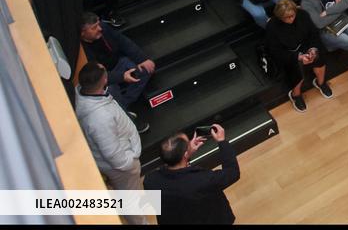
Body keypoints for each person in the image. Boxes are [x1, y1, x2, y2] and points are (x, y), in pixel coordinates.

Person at [75, 62, 145, 222]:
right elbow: (113, 155)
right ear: (105, 80)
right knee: (130, 200)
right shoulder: (100, 119)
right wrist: (131, 161)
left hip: (119, 158)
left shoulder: (83, 91)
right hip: (122, 168)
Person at [144, 124, 239, 225]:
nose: (190, 142)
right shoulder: (202, 180)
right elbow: (232, 172)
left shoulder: (150, 180)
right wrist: (222, 141)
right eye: (188, 142)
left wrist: (186, 155)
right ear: (184, 154)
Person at [79, 13, 155, 114]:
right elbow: (96, 75)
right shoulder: (81, 53)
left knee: (145, 70)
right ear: (82, 33)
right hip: (103, 76)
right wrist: (121, 77)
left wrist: (142, 59)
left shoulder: (103, 27)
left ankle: (125, 103)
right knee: (111, 91)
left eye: (98, 24)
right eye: (94, 27)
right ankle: (124, 113)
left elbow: (122, 41)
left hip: (119, 62)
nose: (99, 28)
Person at [266, 0, 331, 112]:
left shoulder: (303, 15)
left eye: (292, 16)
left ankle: (321, 82)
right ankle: (296, 95)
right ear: (280, 16)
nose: (290, 19)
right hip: (288, 53)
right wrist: (298, 57)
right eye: (286, 17)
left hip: (305, 45)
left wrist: (312, 50)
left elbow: (313, 34)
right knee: (295, 66)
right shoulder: (272, 26)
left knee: (319, 53)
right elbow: (275, 51)